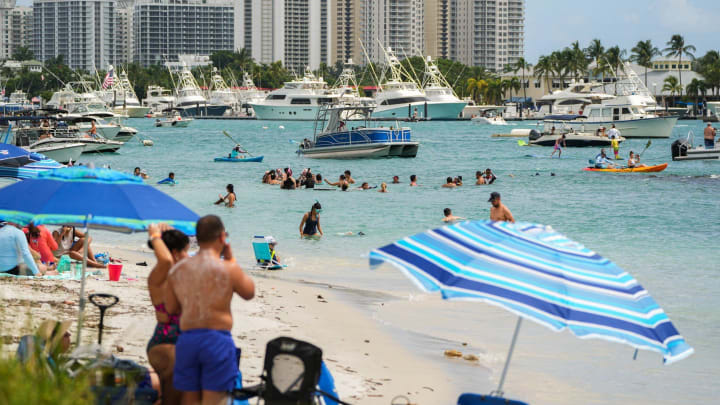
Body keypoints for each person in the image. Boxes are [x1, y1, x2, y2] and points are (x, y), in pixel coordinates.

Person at [165, 215, 255, 405]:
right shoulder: (228, 268)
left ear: (197, 238)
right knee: (214, 401)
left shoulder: (178, 269)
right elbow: (249, 292)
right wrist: (232, 260)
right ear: (222, 237)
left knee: (189, 400)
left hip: (187, 340)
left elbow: (171, 308)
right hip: (216, 340)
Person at [146, 224, 190, 405]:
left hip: (177, 344)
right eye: (185, 251)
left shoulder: (179, 275)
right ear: (174, 252)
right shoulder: (158, 276)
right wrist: (155, 236)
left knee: (170, 399)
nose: (188, 255)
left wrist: (171, 235)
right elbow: (166, 261)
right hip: (166, 343)